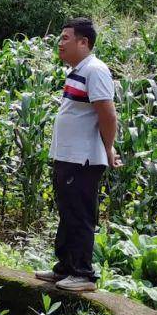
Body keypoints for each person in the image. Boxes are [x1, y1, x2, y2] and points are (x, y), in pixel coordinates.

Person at [35, 17, 121, 292]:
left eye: (66, 38)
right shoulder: (78, 71)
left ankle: (83, 274)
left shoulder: (95, 70)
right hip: (68, 157)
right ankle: (65, 267)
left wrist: (108, 148)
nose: (60, 43)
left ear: (84, 42)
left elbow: (107, 113)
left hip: (83, 159)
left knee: (80, 214)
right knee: (67, 212)